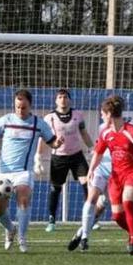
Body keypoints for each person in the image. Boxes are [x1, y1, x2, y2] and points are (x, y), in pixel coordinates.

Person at [0, 89, 62, 253]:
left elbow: (52, 143)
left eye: (23, 107)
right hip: (3, 171)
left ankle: (22, 238)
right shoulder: (7, 120)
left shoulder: (38, 124)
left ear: (30, 106)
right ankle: (10, 229)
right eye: (17, 107)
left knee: (23, 198)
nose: (20, 111)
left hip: (23, 172)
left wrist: (59, 143)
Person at [87, 95, 133, 255]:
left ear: (108, 114)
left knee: (128, 201)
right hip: (116, 175)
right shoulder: (106, 133)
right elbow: (98, 153)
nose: (101, 116)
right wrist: (91, 170)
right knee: (117, 216)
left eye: (102, 113)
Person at [34, 88, 93, 232]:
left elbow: (84, 134)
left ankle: (90, 218)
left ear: (70, 99)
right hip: (58, 157)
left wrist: (93, 148)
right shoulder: (49, 118)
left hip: (77, 156)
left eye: (65, 97)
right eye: (60, 97)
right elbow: (43, 139)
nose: (63, 99)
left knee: (87, 184)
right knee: (55, 189)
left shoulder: (78, 115)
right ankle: (52, 220)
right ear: (56, 100)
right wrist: (38, 157)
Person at [67, 122, 113, 252]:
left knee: (101, 206)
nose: (106, 117)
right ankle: (85, 238)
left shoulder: (126, 130)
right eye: (104, 114)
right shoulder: (103, 128)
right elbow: (98, 150)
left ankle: (80, 232)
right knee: (91, 199)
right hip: (99, 170)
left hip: (115, 174)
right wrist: (91, 169)